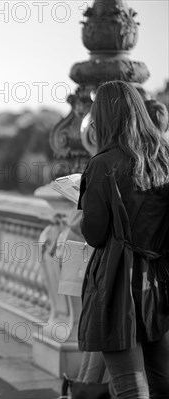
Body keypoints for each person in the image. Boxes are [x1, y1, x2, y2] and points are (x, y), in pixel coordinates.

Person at [78, 81, 169, 398]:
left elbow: (95, 233)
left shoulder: (103, 163)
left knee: (130, 386)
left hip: (119, 283)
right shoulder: (164, 158)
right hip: (161, 281)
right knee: (163, 382)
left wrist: (82, 217)